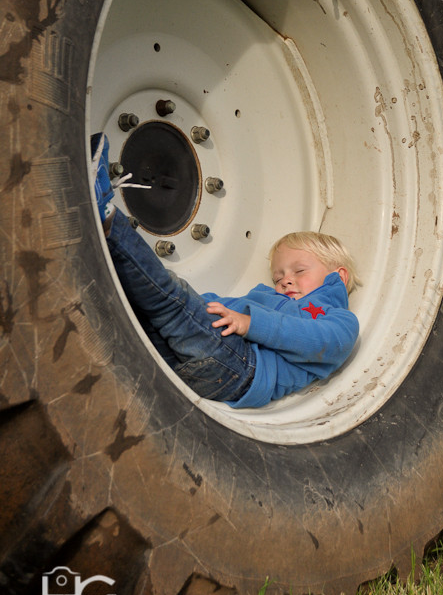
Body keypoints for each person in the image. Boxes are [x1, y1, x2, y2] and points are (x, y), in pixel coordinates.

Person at [91, 133, 360, 408]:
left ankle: (103, 211)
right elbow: (217, 309)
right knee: (136, 320)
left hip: (244, 368)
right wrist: (201, 306)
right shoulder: (265, 299)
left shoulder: (340, 320)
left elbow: (316, 342)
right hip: (206, 367)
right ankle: (93, 260)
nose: (286, 281)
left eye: (299, 271)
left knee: (170, 302)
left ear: (338, 276)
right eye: (278, 277)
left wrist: (250, 324)